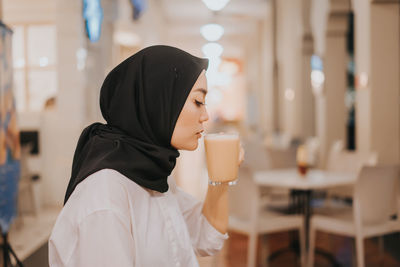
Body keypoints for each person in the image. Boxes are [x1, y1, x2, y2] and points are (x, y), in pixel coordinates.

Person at [49, 45, 244, 267]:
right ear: (158, 100)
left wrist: (222, 177)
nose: (206, 115)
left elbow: (206, 237)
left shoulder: (151, 172)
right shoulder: (105, 198)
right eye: (198, 102)